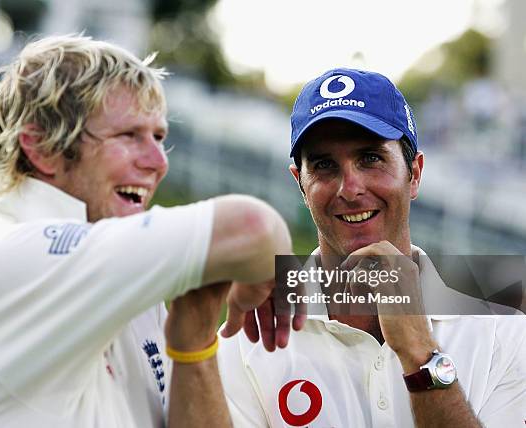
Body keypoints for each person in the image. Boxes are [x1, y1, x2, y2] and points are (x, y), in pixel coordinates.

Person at [0, 35, 299, 427]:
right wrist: (262, 271)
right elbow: (254, 227)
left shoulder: (135, 290)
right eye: (128, 136)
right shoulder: (2, 260)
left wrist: (195, 343)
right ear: (41, 148)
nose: (158, 162)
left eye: (158, 137)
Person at [217, 68, 526, 427]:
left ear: (415, 173)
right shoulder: (247, 342)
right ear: (300, 184)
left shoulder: (503, 335)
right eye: (324, 165)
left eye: (370, 158)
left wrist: (420, 356)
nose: (350, 188)